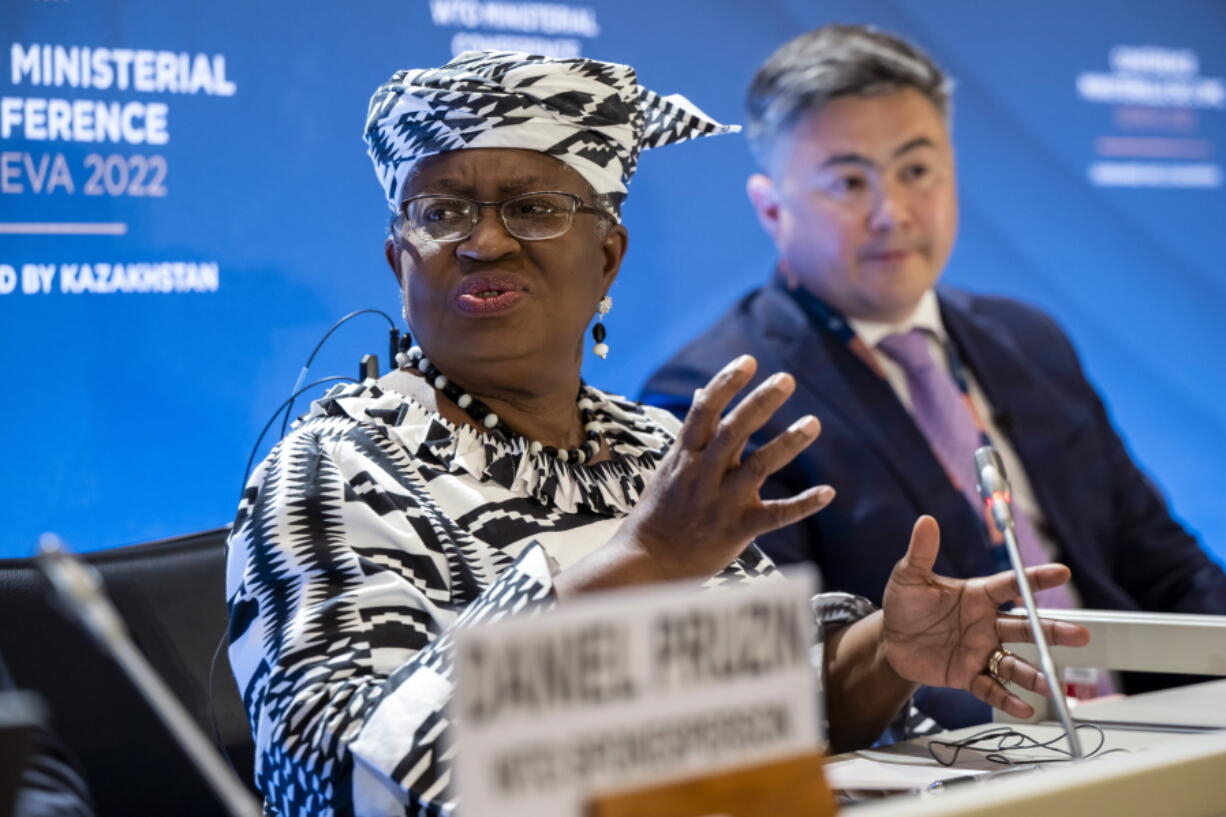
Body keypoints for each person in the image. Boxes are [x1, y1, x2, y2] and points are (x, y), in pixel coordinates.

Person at [226, 50, 1087, 817]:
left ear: (608, 258)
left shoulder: (653, 447)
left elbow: (768, 714)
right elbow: (328, 782)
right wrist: (640, 565)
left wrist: (884, 654)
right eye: (442, 213)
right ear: (397, 259)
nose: (485, 241)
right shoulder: (335, 468)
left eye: (532, 208)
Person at [642, 24, 1226, 728]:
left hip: (1146, 733)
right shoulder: (721, 399)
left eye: (916, 170)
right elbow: (786, 670)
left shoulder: (1028, 339)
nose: (894, 214)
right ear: (772, 207)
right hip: (950, 767)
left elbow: (1163, 564)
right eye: (849, 181)